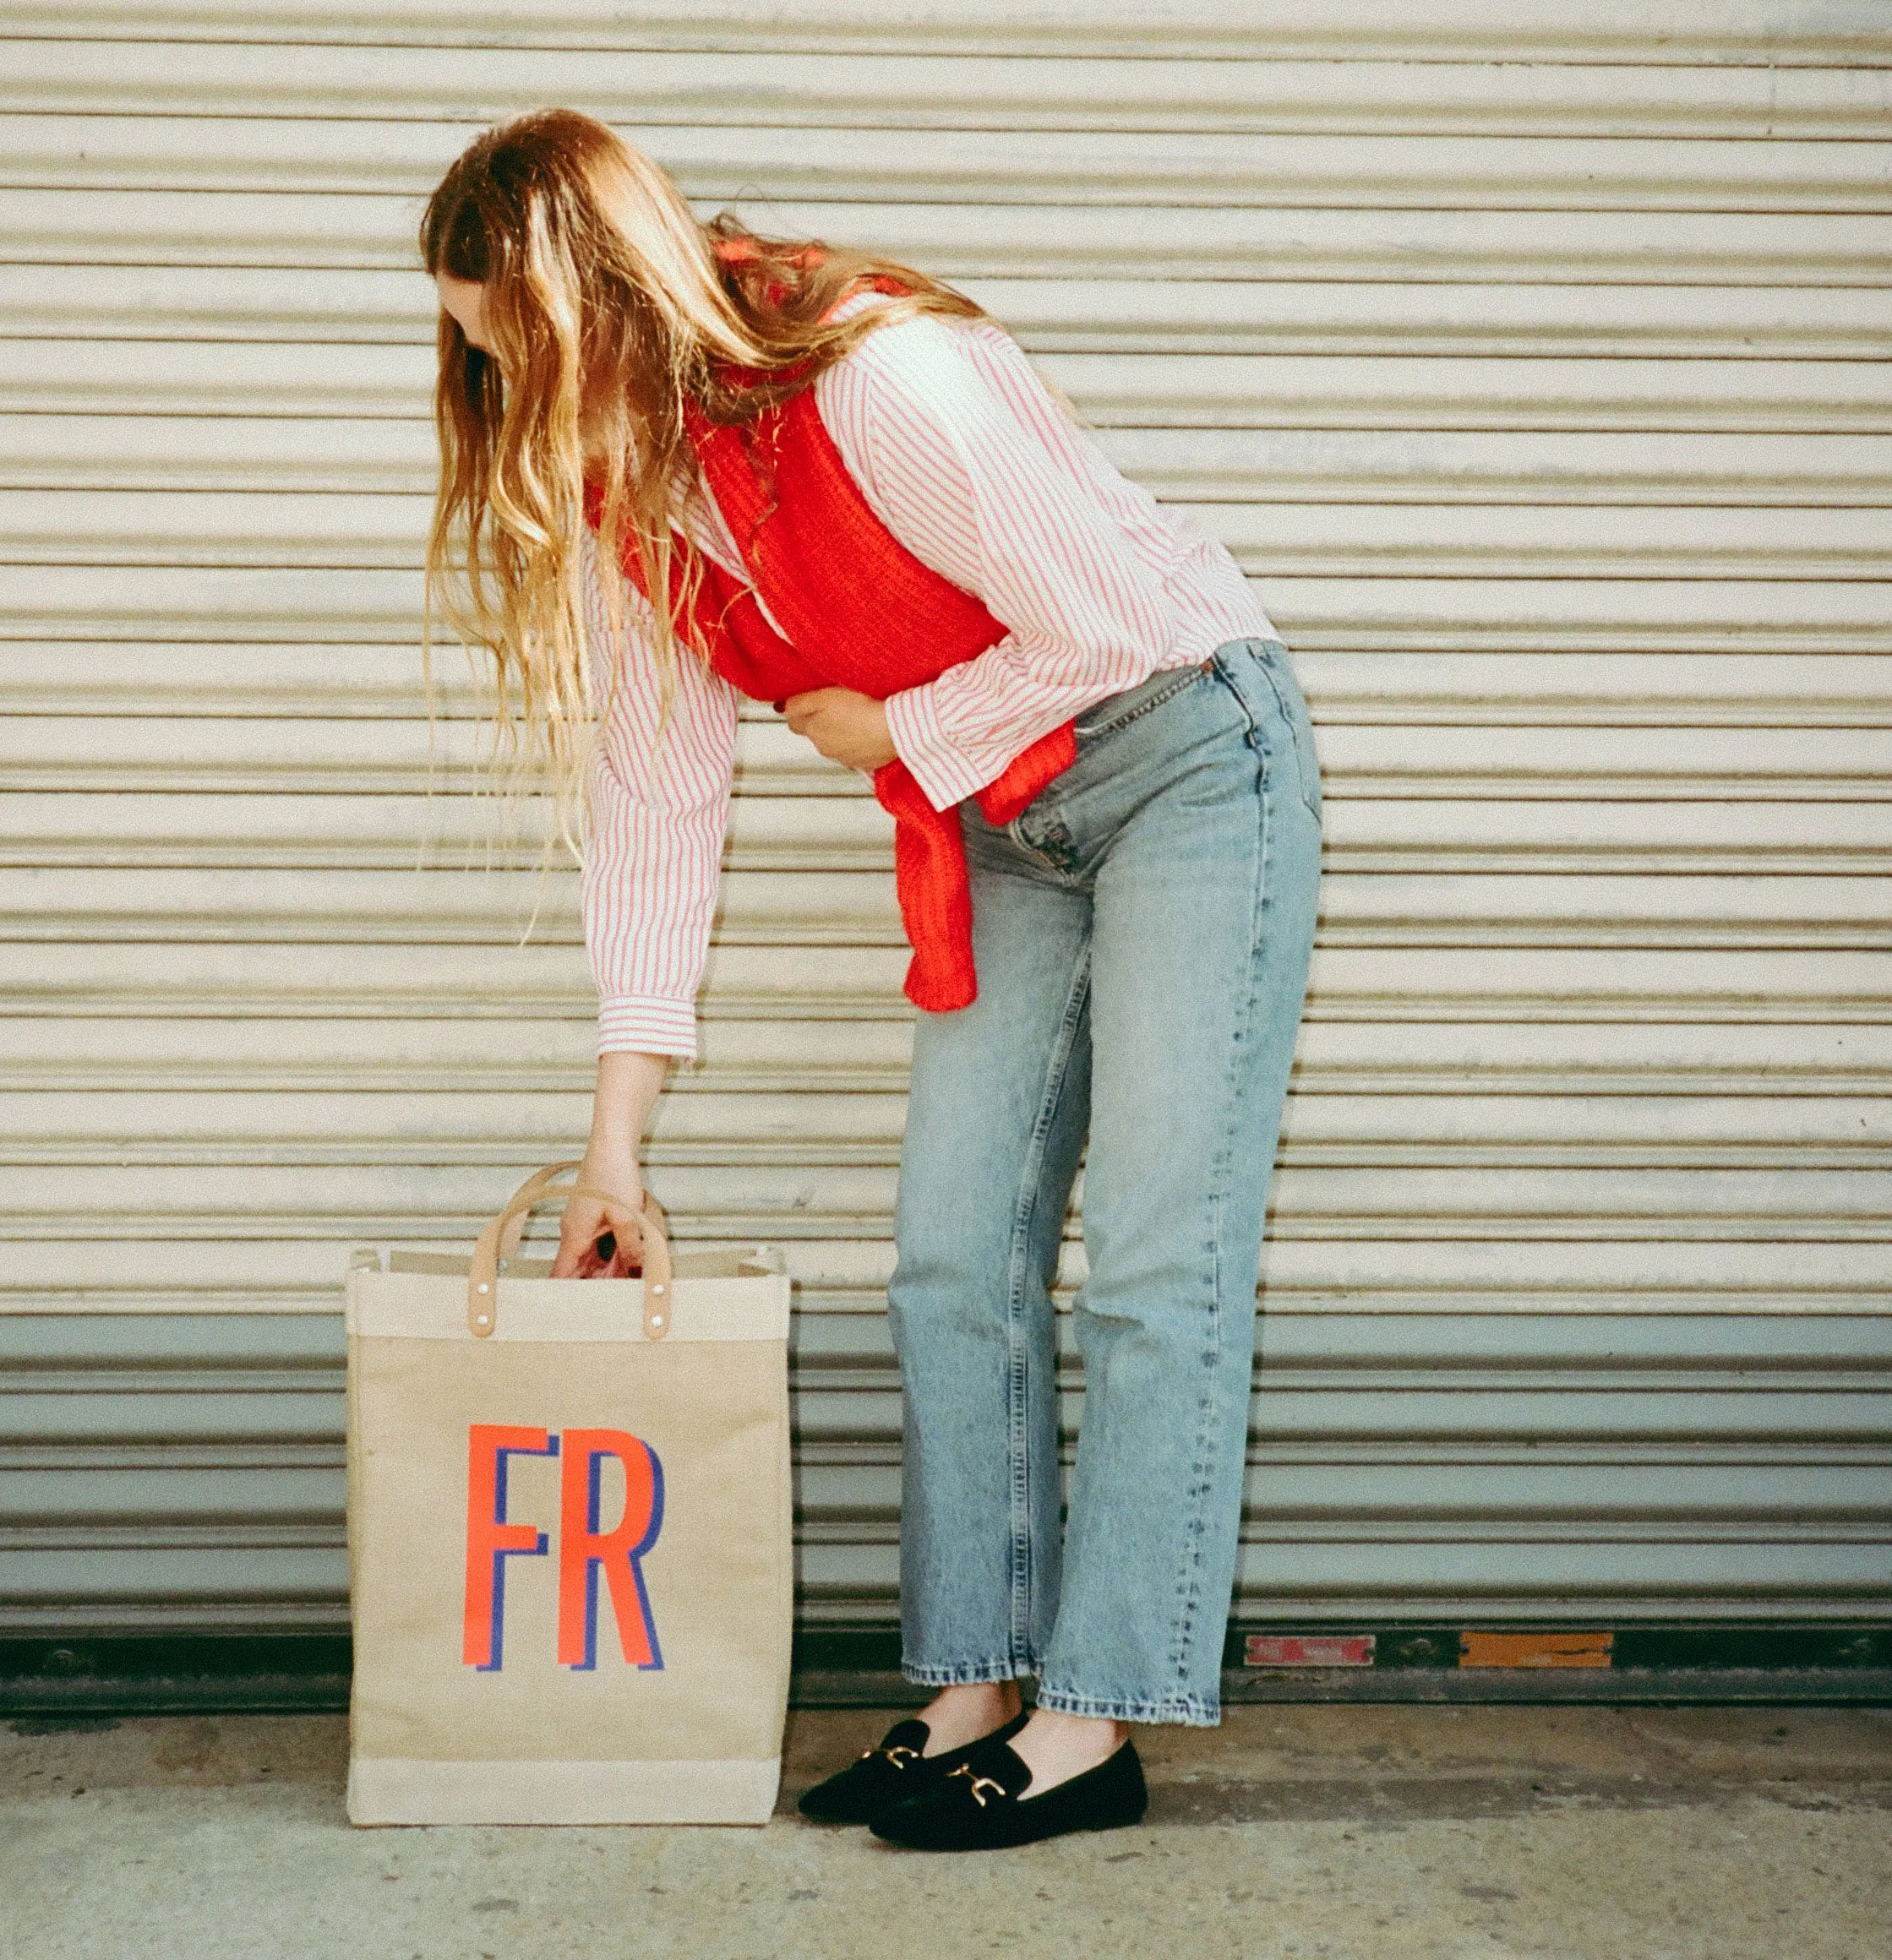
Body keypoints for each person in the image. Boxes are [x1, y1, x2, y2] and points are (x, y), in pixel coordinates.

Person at [422, 108, 1322, 1852]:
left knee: (1151, 1251)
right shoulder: (643, 509)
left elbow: (1111, 625)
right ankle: (972, 1684)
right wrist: (614, 1148)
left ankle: (1090, 1717)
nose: (501, 405)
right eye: (473, 367)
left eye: (509, 356)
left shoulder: (885, 378)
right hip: (997, 803)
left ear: (599, 304)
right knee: (946, 1250)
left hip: (1182, 760)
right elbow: (658, 811)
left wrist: (889, 726)